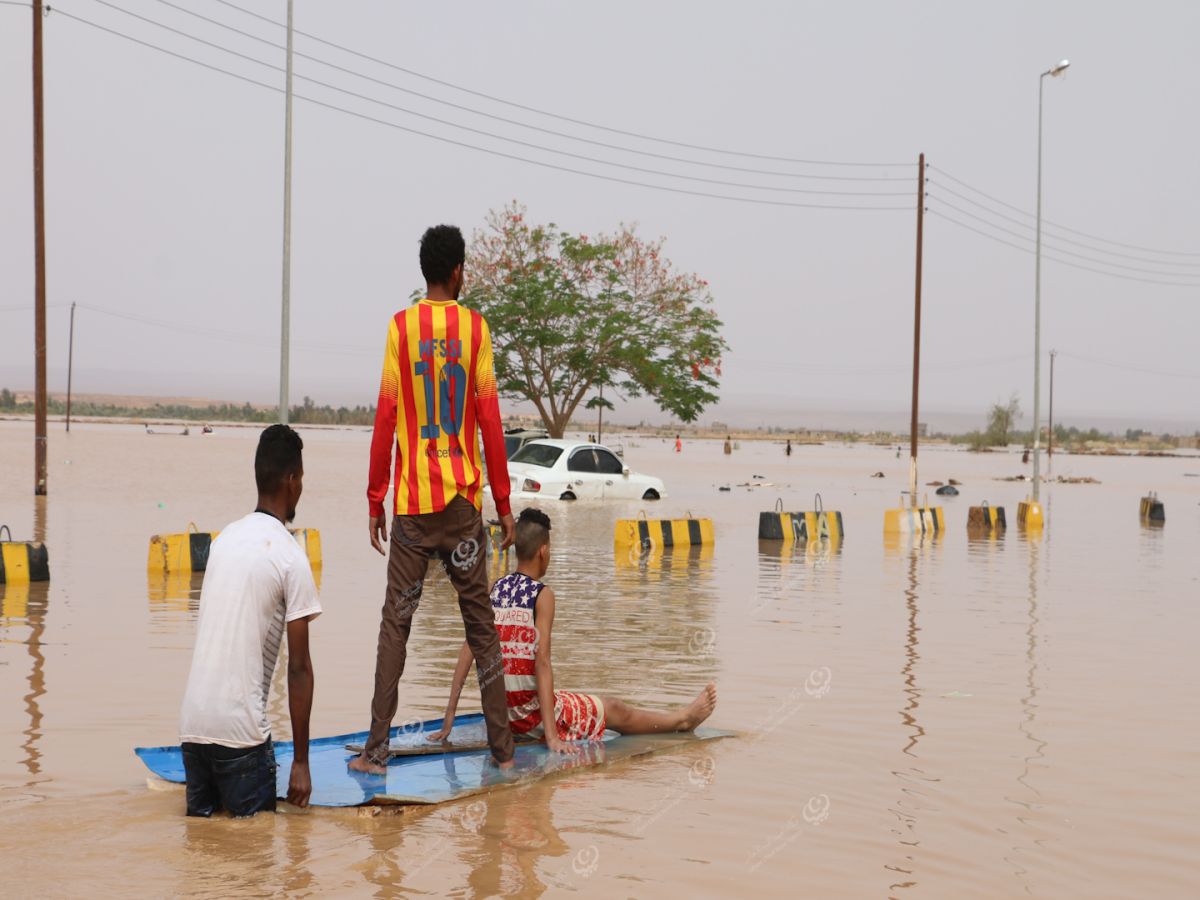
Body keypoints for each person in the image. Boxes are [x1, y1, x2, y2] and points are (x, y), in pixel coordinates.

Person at [352, 224, 517, 775]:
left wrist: (377, 498)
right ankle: (503, 753)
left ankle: (375, 753)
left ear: (428, 271)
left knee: (395, 623)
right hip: (463, 509)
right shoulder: (476, 330)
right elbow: (490, 419)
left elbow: (386, 415)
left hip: (414, 513)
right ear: (455, 271)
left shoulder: (400, 329)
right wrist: (504, 501)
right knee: (481, 627)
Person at [429, 509, 717, 751]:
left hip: (501, 718)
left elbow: (468, 647)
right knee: (614, 709)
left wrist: (449, 717)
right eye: (550, 549)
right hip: (530, 722)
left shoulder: (495, 588)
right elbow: (542, 661)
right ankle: (682, 720)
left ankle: (678, 719)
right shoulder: (542, 595)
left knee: (568, 696)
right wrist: (552, 737)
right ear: (543, 551)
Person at [178, 424, 320, 817]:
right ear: (292, 480)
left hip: (192, 727)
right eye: (302, 478)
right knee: (254, 866)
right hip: (240, 736)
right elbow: (299, 669)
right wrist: (301, 763)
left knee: (204, 855)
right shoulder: (290, 555)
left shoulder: (223, 542)